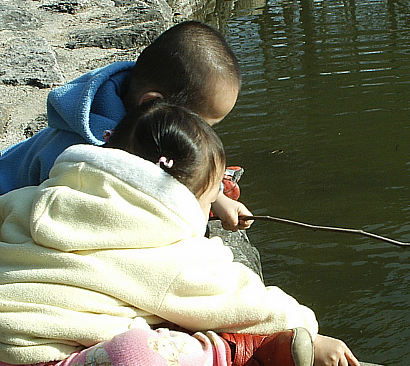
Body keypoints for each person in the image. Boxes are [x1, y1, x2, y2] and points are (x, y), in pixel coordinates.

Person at [0, 101, 361, 366]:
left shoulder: (41, 196)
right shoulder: (170, 254)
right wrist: (310, 332)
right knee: (139, 353)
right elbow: (240, 298)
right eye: (208, 198)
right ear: (180, 199)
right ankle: (229, 357)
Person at [0, 20, 251, 231]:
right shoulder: (79, 159)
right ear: (153, 104)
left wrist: (214, 196)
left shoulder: (135, 114)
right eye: (200, 124)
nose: (204, 136)